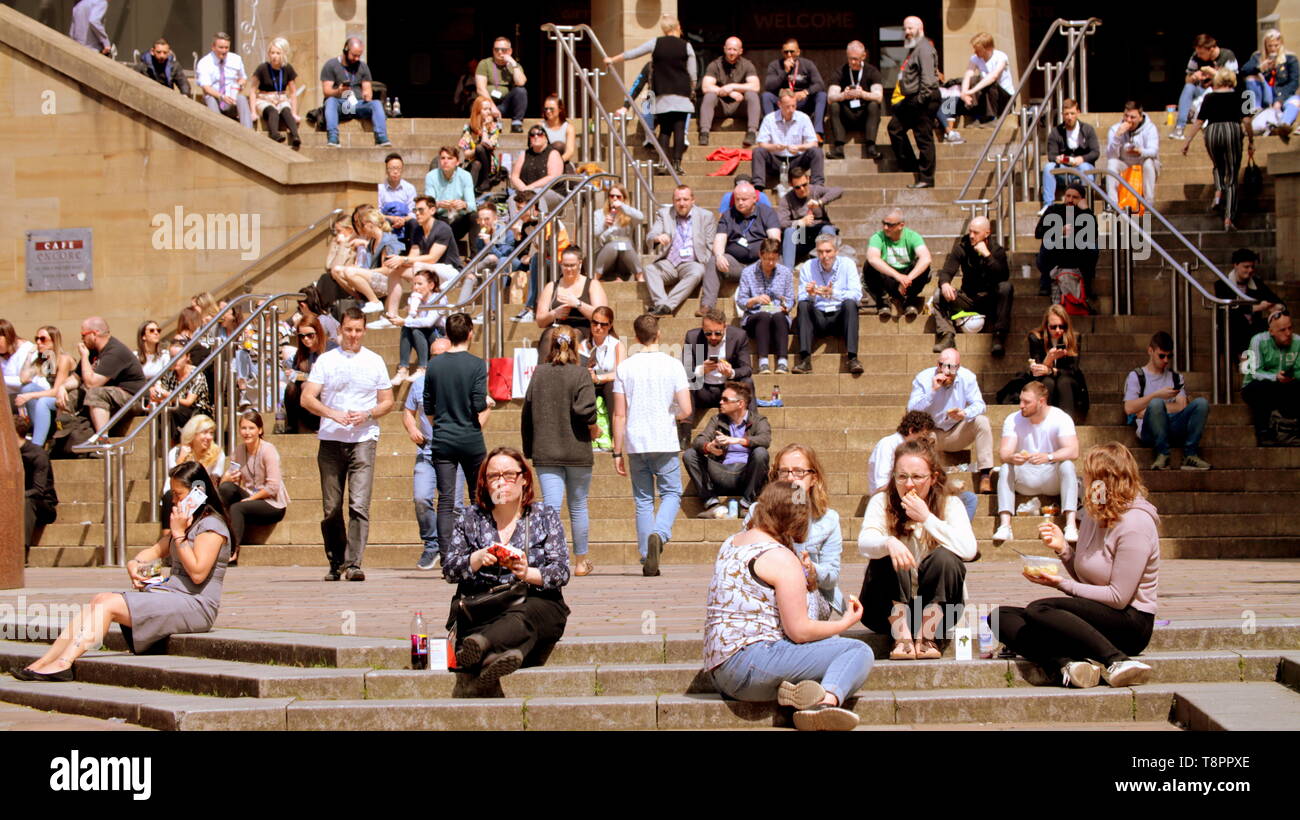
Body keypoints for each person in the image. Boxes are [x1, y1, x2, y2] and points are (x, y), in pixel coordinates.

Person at [9, 462, 230, 681]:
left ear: (197, 493)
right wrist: (134, 565)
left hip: (197, 605)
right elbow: (153, 551)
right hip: (173, 595)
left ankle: (63, 663)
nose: (173, 500)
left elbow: (198, 573)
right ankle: (44, 661)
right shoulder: (187, 523)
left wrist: (179, 534)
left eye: (178, 494)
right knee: (99, 599)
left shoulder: (212, 527)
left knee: (108, 604)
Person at [704, 481, 870, 731]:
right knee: (858, 651)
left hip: (720, 672)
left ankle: (791, 691)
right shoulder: (781, 558)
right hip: (752, 664)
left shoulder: (732, 542)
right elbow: (799, 631)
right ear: (798, 520)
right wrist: (845, 622)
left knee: (810, 652)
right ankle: (824, 705)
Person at [993, 443, 1159, 689]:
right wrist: (1064, 550)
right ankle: (1068, 664)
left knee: (1040, 609)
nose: (1084, 482)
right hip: (1096, 614)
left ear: (1106, 481)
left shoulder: (1136, 524)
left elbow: (1117, 597)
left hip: (1130, 623)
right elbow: (1088, 578)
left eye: (1089, 476)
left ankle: (1117, 660)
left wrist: (1061, 584)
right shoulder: (1094, 514)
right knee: (1000, 617)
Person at [444, 447, 570, 683]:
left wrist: (527, 573)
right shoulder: (470, 517)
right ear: (484, 482)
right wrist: (476, 559)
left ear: (524, 479)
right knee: (517, 632)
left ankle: (482, 645)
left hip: (534, 602)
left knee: (525, 614)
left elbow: (561, 571)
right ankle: (502, 655)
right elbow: (450, 569)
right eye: (493, 476)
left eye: (509, 475)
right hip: (485, 605)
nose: (501, 482)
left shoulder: (544, 515)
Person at [857, 439, 975, 660]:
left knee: (946, 557)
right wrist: (888, 542)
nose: (909, 484)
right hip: (885, 610)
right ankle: (901, 637)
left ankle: (928, 637)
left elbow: (968, 550)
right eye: (902, 477)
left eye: (918, 477)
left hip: (940, 610)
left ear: (933, 478)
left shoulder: (951, 504)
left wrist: (927, 518)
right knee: (887, 550)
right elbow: (864, 542)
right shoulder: (881, 502)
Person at [300, 308, 395, 581]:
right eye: (349, 329)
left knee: (359, 504)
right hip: (331, 439)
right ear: (340, 329)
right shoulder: (326, 361)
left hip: (363, 438)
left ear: (364, 331)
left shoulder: (374, 361)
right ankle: (336, 560)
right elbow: (307, 398)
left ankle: (354, 563)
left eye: (358, 330)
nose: (353, 335)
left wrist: (368, 414)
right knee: (331, 506)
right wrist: (332, 413)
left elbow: (387, 400)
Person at [613, 314, 692, 576]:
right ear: (658, 334)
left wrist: (617, 449)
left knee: (643, 500)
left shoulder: (625, 367)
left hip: (636, 440)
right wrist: (672, 414)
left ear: (636, 337)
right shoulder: (673, 365)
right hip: (664, 439)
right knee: (671, 493)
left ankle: (647, 554)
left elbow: (619, 413)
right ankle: (659, 533)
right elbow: (686, 409)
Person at [522, 329, 600, 577]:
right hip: (577, 449)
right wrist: (594, 428)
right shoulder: (580, 373)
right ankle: (580, 562)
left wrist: (529, 447)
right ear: (576, 346)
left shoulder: (539, 373)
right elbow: (585, 410)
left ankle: (551, 560)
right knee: (578, 506)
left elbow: (526, 412)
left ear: (549, 346)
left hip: (546, 449)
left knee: (551, 507)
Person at [423, 313, 491, 558]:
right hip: (470, 438)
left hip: (443, 438)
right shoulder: (476, 364)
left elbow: (428, 407)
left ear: (447, 335)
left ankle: (446, 555)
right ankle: (479, 549)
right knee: (477, 496)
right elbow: (477, 403)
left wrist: (441, 424)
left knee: (446, 499)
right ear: (470, 333)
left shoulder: (434, 365)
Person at [752, 444, 846, 618]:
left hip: (812, 592)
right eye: (784, 471)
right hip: (766, 592)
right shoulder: (756, 512)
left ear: (814, 478)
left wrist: (812, 569)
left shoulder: (828, 519)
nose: (791, 478)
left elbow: (832, 577)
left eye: (798, 472)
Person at [604, 15, 697, 175]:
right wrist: (691, 90)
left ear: (664, 29)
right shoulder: (686, 46)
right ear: (677, 27)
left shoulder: (656, 43)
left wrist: (612, 59)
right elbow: (693, 74)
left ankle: (662, 162)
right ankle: (676, 165)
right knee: (679, 129)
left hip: (662, 95)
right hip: (681, 94)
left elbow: (633, 53)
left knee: (665, 130)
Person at [992, 381, 1081, 545]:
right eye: (1021, 400)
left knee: (1068, 466)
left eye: (1026, 402)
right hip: (1025, 476)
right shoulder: (1013, 419)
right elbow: (1004, 452)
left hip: (1051, 477)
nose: (1021, 405)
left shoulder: (1060, 417)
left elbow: (1073, 451)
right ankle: (1005, 525)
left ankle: (1070, 525)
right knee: (1005, 468)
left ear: (1041, 401)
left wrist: (1048, 457)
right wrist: (1013, 458)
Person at [402, 337, 465, 570]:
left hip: (453, 451)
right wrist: (411, 428)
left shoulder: (461, 380)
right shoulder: (419, 384)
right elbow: (407, 411)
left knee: (456, 505)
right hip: (427, 451)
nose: (438, 360)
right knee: (421, 497)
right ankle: (432, 545)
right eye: (434, 356)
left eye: (443, 355)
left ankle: (455, 549)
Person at [908, 347, 995, 492]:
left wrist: (964, 413)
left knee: (982, 421)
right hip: (931, 433)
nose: (948, 374)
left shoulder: (967, 377)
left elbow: (980, 405)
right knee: (916, 434)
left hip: (957, 431)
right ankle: (924, 479)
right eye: (945, 368)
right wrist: (932, 392)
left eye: (953, 369)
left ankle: (985, 475)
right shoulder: (922, 378)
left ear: (958, 367)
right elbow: (911, 410)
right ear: (938, 366)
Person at [1122, 331, 1212, 469]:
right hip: (1149, 431)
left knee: (1201, 404)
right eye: (1161, 356)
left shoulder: (1176, 378)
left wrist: (1147, 411)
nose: (1166, 360)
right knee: (1156, 403)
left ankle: (1190, 455)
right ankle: (1163, 454)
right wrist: (1156, 395)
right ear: (1150, 351)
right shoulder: (1137, 376)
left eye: (1169, 356)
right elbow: (1129, 408)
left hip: (1174, 426)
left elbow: (1182, 406)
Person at [1181, 68, 1253, 230]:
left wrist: (1187, 141)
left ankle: (1219, 193)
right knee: (1232, 175)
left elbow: (1199, 122)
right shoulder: (1240, 96)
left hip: (1212, 132)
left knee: (1218, 165)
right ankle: (1229, 217)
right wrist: (1251, 140)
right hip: (1231, 130)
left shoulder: (1209, 97)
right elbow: (1247, 121)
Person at [685, 380, 770, 518]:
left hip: (746, 474)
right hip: (721, 473)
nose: (720, 402)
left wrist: (737, 440)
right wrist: (709, 447)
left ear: (740, 403)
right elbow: (698, 440)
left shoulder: (759, 420)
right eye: (721, 399)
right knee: (690, 454)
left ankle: (746, 505)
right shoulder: (717, 419)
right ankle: (712, 504)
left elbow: (765, 440)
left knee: (761, 453)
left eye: (725, 399)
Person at [934, 215, 1012, 356]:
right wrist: (945, 283)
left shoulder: (997, 251)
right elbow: (946, 272)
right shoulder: (962, 247)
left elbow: (1003, 276)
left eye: (976, 232)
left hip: (990, 299)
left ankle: (999, 337)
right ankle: (947, 335)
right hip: (968, 298)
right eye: (970, 231)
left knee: (1006, 288)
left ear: (987, 233)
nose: (971, 235)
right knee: (938, 294)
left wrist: (987, 256)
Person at [218, 410, 288, 565]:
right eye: (243, 428)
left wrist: (251, 499)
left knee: (237, 508)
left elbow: (273, 487)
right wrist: (227, 478)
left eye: (251, 428)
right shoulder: (239, 450)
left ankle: (232, 552)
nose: (247, 432)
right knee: (226, 489)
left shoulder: (268, 450)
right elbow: (230, 478)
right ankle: (216, 538)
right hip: (250, 497)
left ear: (260, 430)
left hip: (272, 503)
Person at [1000, 304, 1089, 423]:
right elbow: (1036, 372)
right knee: (1048, 382)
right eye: (1053, 327)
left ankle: (1066, 427)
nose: (1058, 330)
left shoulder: (1074, 338)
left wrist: (1051, 370)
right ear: (1046, 326)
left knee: (1064, 381)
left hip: (1069, 381)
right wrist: (1049, 359)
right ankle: (1043, 423)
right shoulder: (1036, 338)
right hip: (1044, 380)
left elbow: (1073, 369)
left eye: (1062, 326)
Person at [794, 233, 864, 375]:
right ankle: (805, 359)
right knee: (803, 305)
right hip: (818, 316)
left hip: (840, 317)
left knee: (851, 304)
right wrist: (811, 295)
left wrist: (833, 293)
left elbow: (857, 294)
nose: (824, 256)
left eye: (828, 251)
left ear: (836, 251)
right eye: (820, 251)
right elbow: (801, 296)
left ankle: (852, 358)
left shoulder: (847, 264)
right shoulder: (808, 266)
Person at [711, 181, 782, 315]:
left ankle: (776, 305)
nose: (740, 202)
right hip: (735, 264)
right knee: (713, 260)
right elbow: (719, 238)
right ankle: (707, 305)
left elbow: (774, 239)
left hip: (760, 262)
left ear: (754, 198)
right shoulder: (727, 215)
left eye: (744, 199)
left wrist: (766, 258)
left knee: (777, 260)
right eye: (737, 199)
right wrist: (719, 256)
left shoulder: (767, 213)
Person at [888, 16, 940, 188]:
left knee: (923, 137)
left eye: (910, 28)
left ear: (920, 28)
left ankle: (926, 178)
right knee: (895, 127)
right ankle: (911, 166)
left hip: (923, 98)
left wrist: (920, 99)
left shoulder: (924, 49)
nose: (907, 32)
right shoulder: (914, 48)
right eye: (905, 29)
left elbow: (928, 78)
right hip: (912, 99)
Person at [645, 185, 714, 316]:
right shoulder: (664, 214)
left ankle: (667, 306)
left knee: (697, 272)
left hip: (692, 262)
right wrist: (657, 238)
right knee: (649, 269)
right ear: (673, 201)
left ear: (693, 200)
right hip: (669, 262)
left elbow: (710, 245)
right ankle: (661, 303)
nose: (681, 203)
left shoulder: (706, 216)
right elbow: (650, 236)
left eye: (685, 199)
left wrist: (705, 265)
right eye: (678, 200)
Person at [536, 246, 608, 363]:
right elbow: (540, 321)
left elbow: (603, 316)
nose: (569, 269)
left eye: (572, 265)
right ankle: (542, 376)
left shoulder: (592, 284)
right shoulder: (551, 286)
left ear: (580, 264)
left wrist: (578, 304)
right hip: (557, 327)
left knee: (573, 335)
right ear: (561, 264)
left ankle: (574, 378)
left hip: (583, 328)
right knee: (550, 335)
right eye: (566, 265)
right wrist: (554, 314)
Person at [77, 316, 148, 434]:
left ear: (94, 334)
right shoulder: (92, 351)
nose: (82, 339)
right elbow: (75, 378)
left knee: (95, 393)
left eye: (83, 335)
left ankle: (103, 441)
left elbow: (91, 384)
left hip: (134, 398)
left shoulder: (115, 351)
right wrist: (62, 388)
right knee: (72, 396)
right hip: (112, 396)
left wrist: (84, 356)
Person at [735, 237, 795, 374]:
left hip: (778, 315)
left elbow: (791, 298)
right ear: (760, 255)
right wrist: (755, 299)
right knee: (763, 316)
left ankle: (782, 361)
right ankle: (763, 361)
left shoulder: (785, 273)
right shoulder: (748, 272)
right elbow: (741, 301)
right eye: (767, 259)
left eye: (774, 259)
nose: (770, 262)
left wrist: (786, 306)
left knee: (780, 316)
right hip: (755, 316)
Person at [1241, 310, 1300, 446]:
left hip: (1284, 385)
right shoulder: (1258, 340)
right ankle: (1264, 433)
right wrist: (1275, 377)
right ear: (1271, 331)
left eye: (1290, 328)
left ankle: (1289, 432)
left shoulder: (1297, 341)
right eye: (1282, 330)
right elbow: (1254, 371)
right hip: (1257, 385)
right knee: (1262, 388)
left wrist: (1291, 376)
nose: (1288, 333)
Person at [1215, 248, 1285, 361]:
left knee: (1278, 320)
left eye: (1252, 267)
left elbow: (1276, 300)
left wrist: (1276, 308)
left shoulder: (1256, 283)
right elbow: (1231, 310)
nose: (1250, 270)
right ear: (1236, 265)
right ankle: (1245, 361)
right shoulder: (1222, 285)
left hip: (1252, 330)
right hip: (1232, 331)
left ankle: (1275, 360)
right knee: (1238, 320)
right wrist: (1257, 307)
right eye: (1246, 267)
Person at [14, 325, 79, 447]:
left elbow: (56, 391)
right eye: (36, 339)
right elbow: (23, 378)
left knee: (41, 401)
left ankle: (37, 445)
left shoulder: (64, 359)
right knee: (27, 388)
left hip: (68, 399)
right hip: (55, 399)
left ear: (54, 341)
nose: (38, 342)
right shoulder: (44, 360)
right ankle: (42, 430)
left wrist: (30, 396)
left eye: (43, 339)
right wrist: (29, 355)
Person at [681, 307, 754, 415]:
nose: (713, 337)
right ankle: (685, 430)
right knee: (686, 384)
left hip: (728, 389)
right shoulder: (692, 337)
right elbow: (684, 371)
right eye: (708, 333)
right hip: (702, 390)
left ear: (725, 327)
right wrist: (700, 370)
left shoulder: (739, 336)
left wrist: (731, 373)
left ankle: (752, 427)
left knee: (747, 381)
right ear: (703, 328)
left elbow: (747, 368)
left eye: (718, 333)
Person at [1034, 182, 1099, 303]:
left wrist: (1086, 210)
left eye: (1075, 197)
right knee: (1047, 243)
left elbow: (1093, 234)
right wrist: (1059, 231)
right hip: (1056, 249)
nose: (1070, 200)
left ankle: (1087, 286)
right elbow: (1038, 232)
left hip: (1076, 251)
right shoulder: (1054, 209)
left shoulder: (1084, 213)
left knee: (1093, 247)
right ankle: (1045, 284)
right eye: (1068, 196)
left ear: (1081, 200)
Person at [320, 37, 391, 148]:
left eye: (359, 56)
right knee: (330, 101)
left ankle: (381, 137)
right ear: (346, 50)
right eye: (354, 55)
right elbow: (326, 91)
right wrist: (338, 91)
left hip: (358, 104)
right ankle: (333, 137)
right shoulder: (331, 65)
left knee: (376, 103)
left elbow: (367, 88)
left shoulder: (363, 66)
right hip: (341, 103)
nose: (357, 58)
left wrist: (367, 95)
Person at [752, 90, 825, 193]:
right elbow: (761, 143)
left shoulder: (803, 118)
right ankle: (758, 187)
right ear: (779, 104)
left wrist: (800, 147)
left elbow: (814, 143)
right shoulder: (769, 119)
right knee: (758, 151)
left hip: (797, 160)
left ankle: (817, 186)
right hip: (776, 160)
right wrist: (774, 147)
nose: (791, 110)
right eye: (787, 107)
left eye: (793, 106)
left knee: (816, 151)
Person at [863, 208, 931, 317]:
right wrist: (897, 276)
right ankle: (883, 301)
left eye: (890, 225)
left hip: (907, 281)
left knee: (924, 266)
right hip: (887, 278)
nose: (885, 227)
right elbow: (872, 258)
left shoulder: (912, 236)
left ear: (901, 225)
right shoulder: (878, 237)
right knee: (869, 266)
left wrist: (908, 278)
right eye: (884, 223)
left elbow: (926, 258)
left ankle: (910, 300)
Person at [1170, 34, 1239, 139]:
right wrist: (1194, 77)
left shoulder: (1228, 56)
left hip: (1220, 93)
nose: (1198, 55)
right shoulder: (1195, 57)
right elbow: (1187, 79)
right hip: (1202, 90)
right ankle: (1179, 127)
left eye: (1201, 53)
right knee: (1189, 87)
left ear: (1211, 49)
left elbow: (1232, 81)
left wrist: (1212, 73)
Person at [827, 41, 884, 160]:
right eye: (850, 58)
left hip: (864, 116)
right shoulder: (840, 71)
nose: (852, 62)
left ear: (863, 56)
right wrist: (843, 95)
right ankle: (838, 148)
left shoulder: (872, 71)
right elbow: (830, 98)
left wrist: (862, 94)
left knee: (874, 105)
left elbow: (879, 97)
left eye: (855, 59)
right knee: (834, 106)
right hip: (846, 115)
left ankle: (871, 146)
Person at [1040, 98, 1100, 211]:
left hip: (1082, 168)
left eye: (1072, 113)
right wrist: (1057, 158)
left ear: (1078, 112)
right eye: (1066, 114)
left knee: (1084, 167)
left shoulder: (1087, 129)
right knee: (1048, 168)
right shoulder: (1056, 132)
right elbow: (1051, 155)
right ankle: (1048, 204)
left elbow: (1095, 152)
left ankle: (1084, 204)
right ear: (1062, 114)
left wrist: (1082, 158)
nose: (1069, 117)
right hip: (1064, 170)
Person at [699, 36, 761, 146]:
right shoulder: (715, 65)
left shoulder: (747, 65)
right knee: (709, 96)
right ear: (724, 49)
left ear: (740, 51)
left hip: (739, 106)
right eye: (729, 49)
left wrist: (732, 86)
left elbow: (756, 86)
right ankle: (704, 133)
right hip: (720, 106)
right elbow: (705, 86)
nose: (731, 52)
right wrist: (729, 92)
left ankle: (752, 132)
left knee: (752, 95)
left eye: (735, 49)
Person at [777, 167, 841, 270]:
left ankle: (832, 267)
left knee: (827, 229)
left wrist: (820, 202)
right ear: (791, 185)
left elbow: (838, 190)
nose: (802, 189)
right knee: (789, 231)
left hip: (819, 233)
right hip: (801, 236)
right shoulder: (786, 199)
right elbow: (781, 222)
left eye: (804, 185)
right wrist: (799, 222)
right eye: (797, 187)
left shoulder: (815, 190)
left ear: (808, 179)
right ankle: (787, 273)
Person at [388, 268, 443, 385]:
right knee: (407, 328)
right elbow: (410, 321)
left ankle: (423, 368)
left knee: (415, 328)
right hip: (423, 336)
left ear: (431, 285)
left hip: (439, 336)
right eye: (414, 284)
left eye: (420, 284)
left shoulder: (439, 298)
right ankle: (403, 369)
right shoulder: (416, 300)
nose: (415, 287)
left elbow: (429, 322)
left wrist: (405, 321)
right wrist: (408, 313)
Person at [761, 39, 827, 136]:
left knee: (822, 95)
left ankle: (818, 132)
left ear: (798, 52)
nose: (788, 55)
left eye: (791, 51)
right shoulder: (774, 65)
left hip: (802, 100)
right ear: (782, 52)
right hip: (783, 102)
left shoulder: (807, 64)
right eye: (785, 52)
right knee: (766, 96)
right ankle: (771, 131)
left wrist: (806, 92)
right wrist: (784, 72)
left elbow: (820, 84)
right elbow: (768, 86)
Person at [152, 341, 212, 443]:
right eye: (172, 357)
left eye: (179, 357)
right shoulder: (169, 374)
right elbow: (161, 394)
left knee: (173, 409)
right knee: (164, 409)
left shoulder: (196, 374)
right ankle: (171, 442)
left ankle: (174, 442)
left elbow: (189, 402)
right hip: (176, 411)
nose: (175, 361)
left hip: (197, 412)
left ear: (187, 357)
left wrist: (166, 394)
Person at [283, 317, 333, 434]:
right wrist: (294, 375)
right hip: (304, 396)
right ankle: (292, 425)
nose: (305, 339)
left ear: (318, 332)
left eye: (310, 335)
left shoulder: (331, 349)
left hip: (325, 391)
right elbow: (297, 376)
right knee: (291, 388)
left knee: (307, 386)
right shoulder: (301, 353)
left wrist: (306, 377)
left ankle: (317, 423)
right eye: (301, 336)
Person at [249, 38, 301, 148]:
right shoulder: (262, 68)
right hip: (264, 98)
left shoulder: (287, 68)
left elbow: (292, 92)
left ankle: (295, 136)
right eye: (272, 53)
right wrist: (253, 112)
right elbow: (252, 90)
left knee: (286, 110)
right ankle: (274, 134)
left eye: (278, 53)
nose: (274, 56)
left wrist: (294, 113)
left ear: (283, 54)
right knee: (272, 112)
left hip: (281, 98)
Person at [18, 415, 57, 559]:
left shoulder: (37, 454)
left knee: (27, 501)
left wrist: (14, 496)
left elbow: (38, 490)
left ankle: (21, 552)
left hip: (43, 505)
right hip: (17, 501)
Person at [1106, 102, 1160, 203]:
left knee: (1149, 163)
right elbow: (1111, 155)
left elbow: (1154, 151)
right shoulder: (1115, 129)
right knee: (1112, 163)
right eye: (1126, 116)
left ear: (1140, 117)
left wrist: (1140, 151)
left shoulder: (1150, 128)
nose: (1128, 120)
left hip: (1142, 161)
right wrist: (1117, 136)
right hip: (1124, 162)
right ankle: (1113, 205)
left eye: (1132, 117)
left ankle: (1148, 205)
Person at [196, 32, 253, 129]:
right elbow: (206, 87)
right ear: (213, 47)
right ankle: (218, 129)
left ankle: (249, 132)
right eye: (221, 48)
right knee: (210, 98)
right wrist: (221, 96)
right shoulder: (205, 63)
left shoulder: (236, 59)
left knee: (242, 98)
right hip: (215, 98)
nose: (224, 51)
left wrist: (240, 84)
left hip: (231, 98)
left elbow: (243, 77)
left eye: (226, 48)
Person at [475, 37, 528, 133]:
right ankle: (493, 122)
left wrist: (513, 64)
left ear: (510, 51)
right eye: (496, 49)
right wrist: (492, 107)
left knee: (521, 91)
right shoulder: (484, 64)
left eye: (503, 50)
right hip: (490, 105)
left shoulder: (515, 65)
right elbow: (480, 89)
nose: (499, 52)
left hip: (507, 104)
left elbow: (521, 82)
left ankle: (516, 123)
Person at [959, 33, 1014, 124]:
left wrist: (972, 91)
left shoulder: (1001, 57)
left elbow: (993, 76)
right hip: (987, 98)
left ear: (987, 48)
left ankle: (992, 117)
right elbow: (968, 75)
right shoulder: (975, 58)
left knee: (989, 82)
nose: (975, 52)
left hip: (1004, 99)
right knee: (974, 80)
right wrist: (964, 93)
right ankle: (977, 116)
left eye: (978, 49)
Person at [424, 146, 477, 241]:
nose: (445, 161)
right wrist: (439, 204)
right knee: (427, 213)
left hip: (458, 220)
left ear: (457, 162)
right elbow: (428, 203)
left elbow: (472, 205)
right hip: (439, 219)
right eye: (443, 158)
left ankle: (474, 255)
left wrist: (464, 204)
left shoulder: (465, 176)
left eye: (450, 158)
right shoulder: (431, 176)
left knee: (474, 216)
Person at [1241, 29, 1298, 116]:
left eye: (1276, 45)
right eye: (1270, 46)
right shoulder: (1257, 56)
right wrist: (1259, 68)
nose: (1273, 49)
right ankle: (1256, 109)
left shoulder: (1290, 58)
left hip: (1281, 92)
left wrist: (1280, 100)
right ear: (1265, 46)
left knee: (1295, 103)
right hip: (1264, 92)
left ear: (1281, 44)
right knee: (1251, 78)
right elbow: (1244, 70)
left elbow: (1294, 82)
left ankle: (1284, 125)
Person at [594, 184, 645, 281]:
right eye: (612, 196)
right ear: (608, 197)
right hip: (605, 256)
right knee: (613, 245)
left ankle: (639, 276)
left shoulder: (628, 214)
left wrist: (622, 207)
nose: (614, 198)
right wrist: (604, 225)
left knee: (624, 243)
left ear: (624, 198)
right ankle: (596, 278)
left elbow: (640, 217)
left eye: (618, 196)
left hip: (624, 259)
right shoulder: (599, 213)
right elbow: (595, 233)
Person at [509, 125, 564, 213]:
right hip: (528, 191)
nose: (536, 137)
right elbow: (514, 176)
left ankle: (539, 224)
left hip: (552, 192)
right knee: (512, 199)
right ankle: (516, 226)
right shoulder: (524, 154)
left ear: (546, 137)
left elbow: (553, 177)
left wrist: (530, 188)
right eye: (532, 135)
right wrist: (523, 188)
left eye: (540, 134)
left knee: (537, 194)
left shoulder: (553, 153)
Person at [459, 96, 504, 194]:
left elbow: (488, 145)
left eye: (489, 109)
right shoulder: (468, 128)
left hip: (488, 165)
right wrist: (475, 151)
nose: (488, 112)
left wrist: (484, 128)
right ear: (477, 111)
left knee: (481, 148)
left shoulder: (494, 127)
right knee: (477, 163)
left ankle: (485, 179)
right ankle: (470, 194)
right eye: (485, 109)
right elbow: (466, 154)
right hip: (472, 163)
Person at [378, 153, 417, 245]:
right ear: (386, 170)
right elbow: (377, 212)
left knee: (414, 223)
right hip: (387, 221)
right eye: (392, 168)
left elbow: (413, 212)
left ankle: (413, 251)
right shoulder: (380, 189)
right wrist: (392, 218)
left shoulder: (409, 188)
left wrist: (403, 220)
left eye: (398, 168)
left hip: (405, 222)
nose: (395, 172)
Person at [540, 94, 576, 164]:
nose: (548, 111)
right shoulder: (540, 126)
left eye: (551, 109)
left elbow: (569, 152)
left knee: (558, 145)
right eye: (546, 109)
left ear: (560, 109)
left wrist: (557, 163)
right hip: (543, 163)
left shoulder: (569, 128)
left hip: (563, 162)